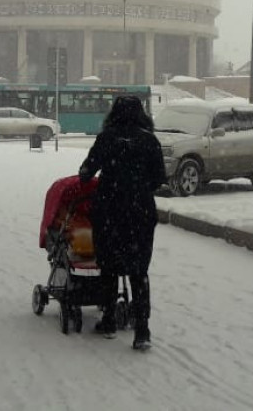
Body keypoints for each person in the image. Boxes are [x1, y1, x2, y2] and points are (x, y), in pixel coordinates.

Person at [78, 96, 165, 351]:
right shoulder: (149, 140)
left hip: (109, 213)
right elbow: (159, 177)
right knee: (139, 272)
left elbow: (86, 173)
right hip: (140, 214)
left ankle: (108, 321)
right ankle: (142, 330)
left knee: (109, 268)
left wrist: (101, 177)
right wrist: (139, 187)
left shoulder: (107, 138)